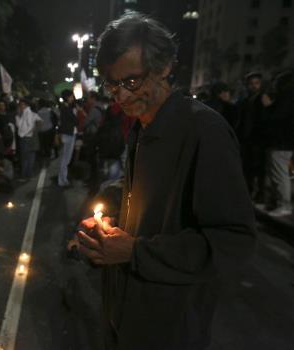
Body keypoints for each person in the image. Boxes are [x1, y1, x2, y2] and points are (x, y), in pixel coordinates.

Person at [73, 12, 256, 350]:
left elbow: (234, 239)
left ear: (165, 67)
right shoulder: (143, 125)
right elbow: (145, 194)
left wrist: (136, 252)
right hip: (123, 312)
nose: (121, 97)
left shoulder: (204, 130)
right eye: (112, 86)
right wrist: (106, 222)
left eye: (131, 82)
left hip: (168, 327)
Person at [260, 71, 294, 217]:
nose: (273, 85)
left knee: (280, 175)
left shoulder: (286, 95)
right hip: (284, 142)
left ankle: (284, 205)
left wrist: (268, 106)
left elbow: (278, 118)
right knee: (280, 174)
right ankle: (277, 203)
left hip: (281, 142)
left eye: (275, 82)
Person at [237, 72, 266, 202]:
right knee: (247, 168)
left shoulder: (263, 99)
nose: (254, 86)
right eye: (251, 84)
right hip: (247, 139)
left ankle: (260, 194)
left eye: (257, 83)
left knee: (259, 169)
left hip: (258, 139)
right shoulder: (245, 100)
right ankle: (248, 192)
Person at [57, 89, 79, 187]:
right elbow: (74, 120)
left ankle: (63, 179)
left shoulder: (66, 107)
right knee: (65, 159)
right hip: (68, 134)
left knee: (66, 158)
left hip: (69, 134)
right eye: (71, 96)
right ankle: (62, 181)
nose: (72, 98)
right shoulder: (66, 108)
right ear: (67, 97)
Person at [15, 99, 42, 179]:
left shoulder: (27, 113)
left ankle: (25, 175)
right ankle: (28, 174)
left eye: (21, 105)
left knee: (25, 158)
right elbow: (39, 122)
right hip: (31, 138)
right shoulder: (30, 113)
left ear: (25, 105)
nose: (20, 107)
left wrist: (23, 134)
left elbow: (26, 126)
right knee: (30, 157)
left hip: (26, 138)